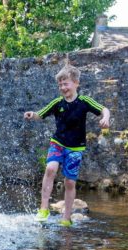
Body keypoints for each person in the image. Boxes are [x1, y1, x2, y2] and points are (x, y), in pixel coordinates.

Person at [24, 64, 110, 226]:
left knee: (70, 182)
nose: (63, 87)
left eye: (66, 84)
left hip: (76, 148)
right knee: (50, 169)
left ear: (76, 83)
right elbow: (41, 114)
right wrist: (32, 114)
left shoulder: (84, 101)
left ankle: (67, 217)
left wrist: (106, 118)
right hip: (58, 143)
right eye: (60, 85)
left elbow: (104, 109)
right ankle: (43, 208)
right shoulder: (57, 103)